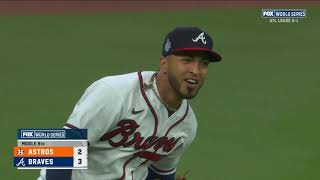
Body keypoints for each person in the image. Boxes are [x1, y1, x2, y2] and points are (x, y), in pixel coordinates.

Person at [38, 26, 222, 180]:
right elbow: (59, 149)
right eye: (187, 60)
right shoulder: (115, 92)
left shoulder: (187, 125)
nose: (196, 70)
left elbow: (159, 174)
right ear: (164, 64)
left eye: (203, 63)